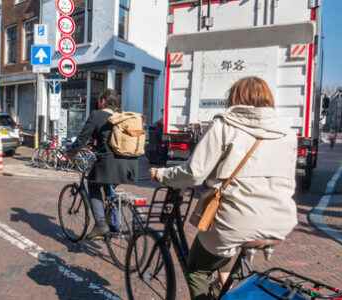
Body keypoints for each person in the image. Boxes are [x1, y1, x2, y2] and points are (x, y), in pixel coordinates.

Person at [150, 77, 298, 300]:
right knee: (228, 264)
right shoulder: (287, 132)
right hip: (281, 219)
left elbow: (194, 173)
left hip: (238, 220)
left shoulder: (225, 125)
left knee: (197, 269)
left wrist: (163, 174)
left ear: (235, 97)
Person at [68, 89, 138, 240]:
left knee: (93, 184)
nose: (97, 103)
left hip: (108, 163)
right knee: (109, 189)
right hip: (129, 165)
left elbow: (81, 139)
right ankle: (114, 224)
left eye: (99, 100)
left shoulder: (97, 115)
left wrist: (70, 153)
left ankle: (100, 224)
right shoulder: (121, 117)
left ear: (103, 101)